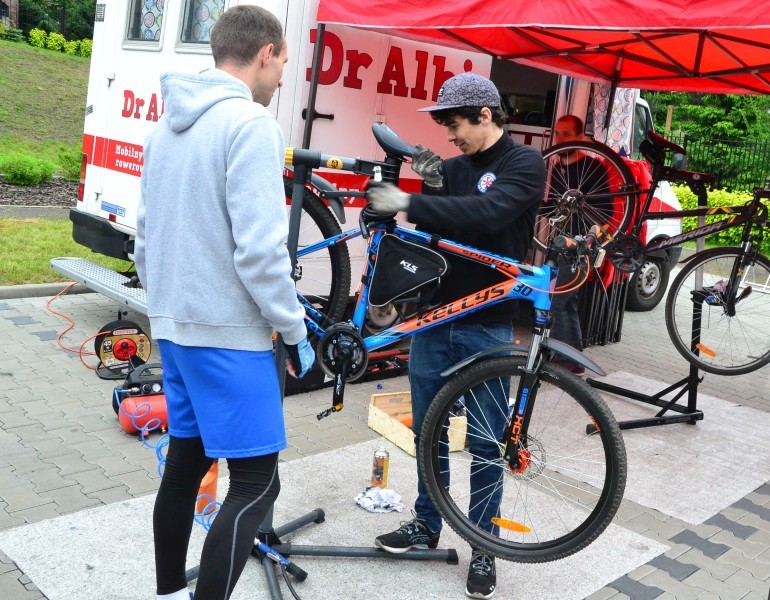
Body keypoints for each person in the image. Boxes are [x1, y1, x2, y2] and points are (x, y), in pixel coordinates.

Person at [134, 6, 315, 599]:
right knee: (257, 485)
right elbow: (261, 254)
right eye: (284, 60)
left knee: (186, 465)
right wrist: (293, 329)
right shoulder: (250, 125)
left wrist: (166, 309)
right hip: (228, 335)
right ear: (265, 52)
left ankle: (166, 591)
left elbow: (144, 239)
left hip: (174, 329)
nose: (283, 75)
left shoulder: (165, 128)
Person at [366, 72, 545, 599]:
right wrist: (405, 203)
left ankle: (484, 545)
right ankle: (426, 525)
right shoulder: (450, 169)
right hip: (437, 316)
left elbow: (490, 215)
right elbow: (440, 232)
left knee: (488, 444)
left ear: (485, 115)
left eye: (457, 126)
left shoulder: (524, 165)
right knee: (428, 432)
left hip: (488, 321)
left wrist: (408, 200)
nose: (452, 139)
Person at [548, 114, 610, 373]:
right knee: (555, 298)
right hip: (558, 242)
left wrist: (592, 239)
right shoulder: (556, 165)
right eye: (557, 133)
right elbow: (553, 206)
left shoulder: (594, 168)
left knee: (563, 300)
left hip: (581, 244)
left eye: (565, 134)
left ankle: (571, 360)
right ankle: (564, 355)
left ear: (578, 137)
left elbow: (606, 212)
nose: (559, 139)